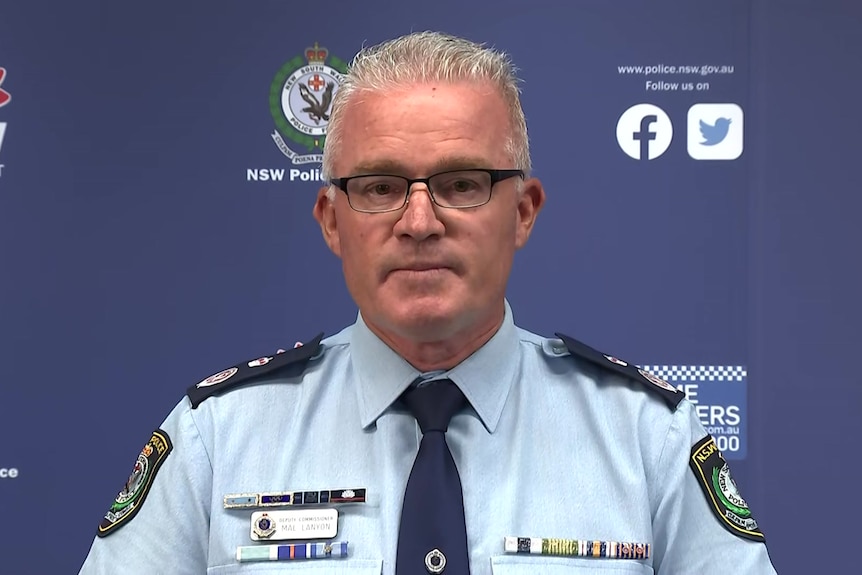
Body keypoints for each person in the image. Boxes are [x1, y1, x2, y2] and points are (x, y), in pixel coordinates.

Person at [79, 31, 778, 574]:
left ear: (525, 210)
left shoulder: (647, 437)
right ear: (331, 219)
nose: (418, 222)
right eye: (381, 187)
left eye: (463, 183)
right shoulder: (217, 438)